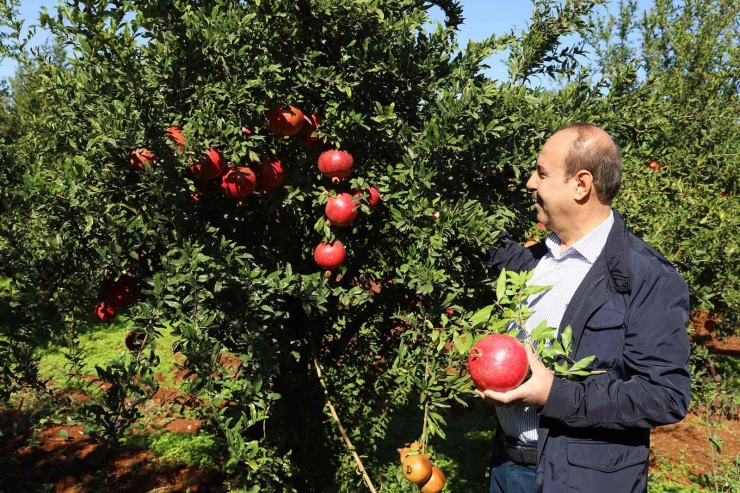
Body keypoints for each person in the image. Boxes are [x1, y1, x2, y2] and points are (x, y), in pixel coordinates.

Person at [478, 123, 691, 493]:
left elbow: (665, 396)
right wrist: (453, 214)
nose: (530, 182)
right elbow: (496, 249)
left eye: (542, 173)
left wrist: (554, 395)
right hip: (506, 470)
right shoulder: (536, 260)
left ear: (581, 184)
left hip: (580, 482)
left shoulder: (647, 276)